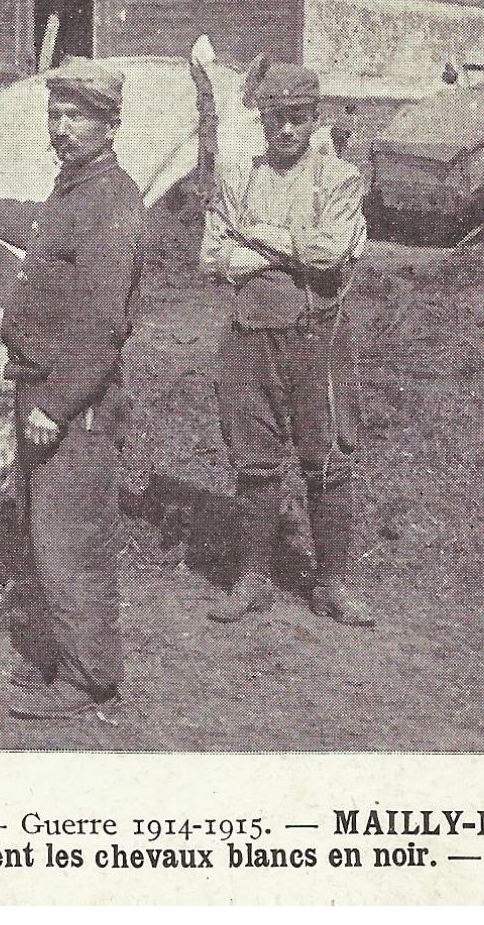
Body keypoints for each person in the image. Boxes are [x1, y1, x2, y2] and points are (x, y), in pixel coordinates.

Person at [0, 59, 148, 720]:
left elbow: (102, 324)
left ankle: (90, 680)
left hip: (72, 403)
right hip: (39, 386)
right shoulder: (73, 189)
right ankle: (62, 656)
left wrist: (57, 407)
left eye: (75, 117)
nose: (60, 129)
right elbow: (35, 223)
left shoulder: (112, 200)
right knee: (41, 534)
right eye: (53, 116)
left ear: (110, 124)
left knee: (71, 540)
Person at [199, 61, 376, 628]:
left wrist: (255, 237)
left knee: (326, 459)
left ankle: (333, 583)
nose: (285, 131)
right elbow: (211, 258)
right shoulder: (238, 174)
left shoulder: (339, 177)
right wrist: (279, 252)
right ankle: (253, 578)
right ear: (262, 120)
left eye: (297, 119)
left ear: (314, 118)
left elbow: (329, 255)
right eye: (275, 119)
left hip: (315, 338)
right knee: (253, 460)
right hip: (250, 337)